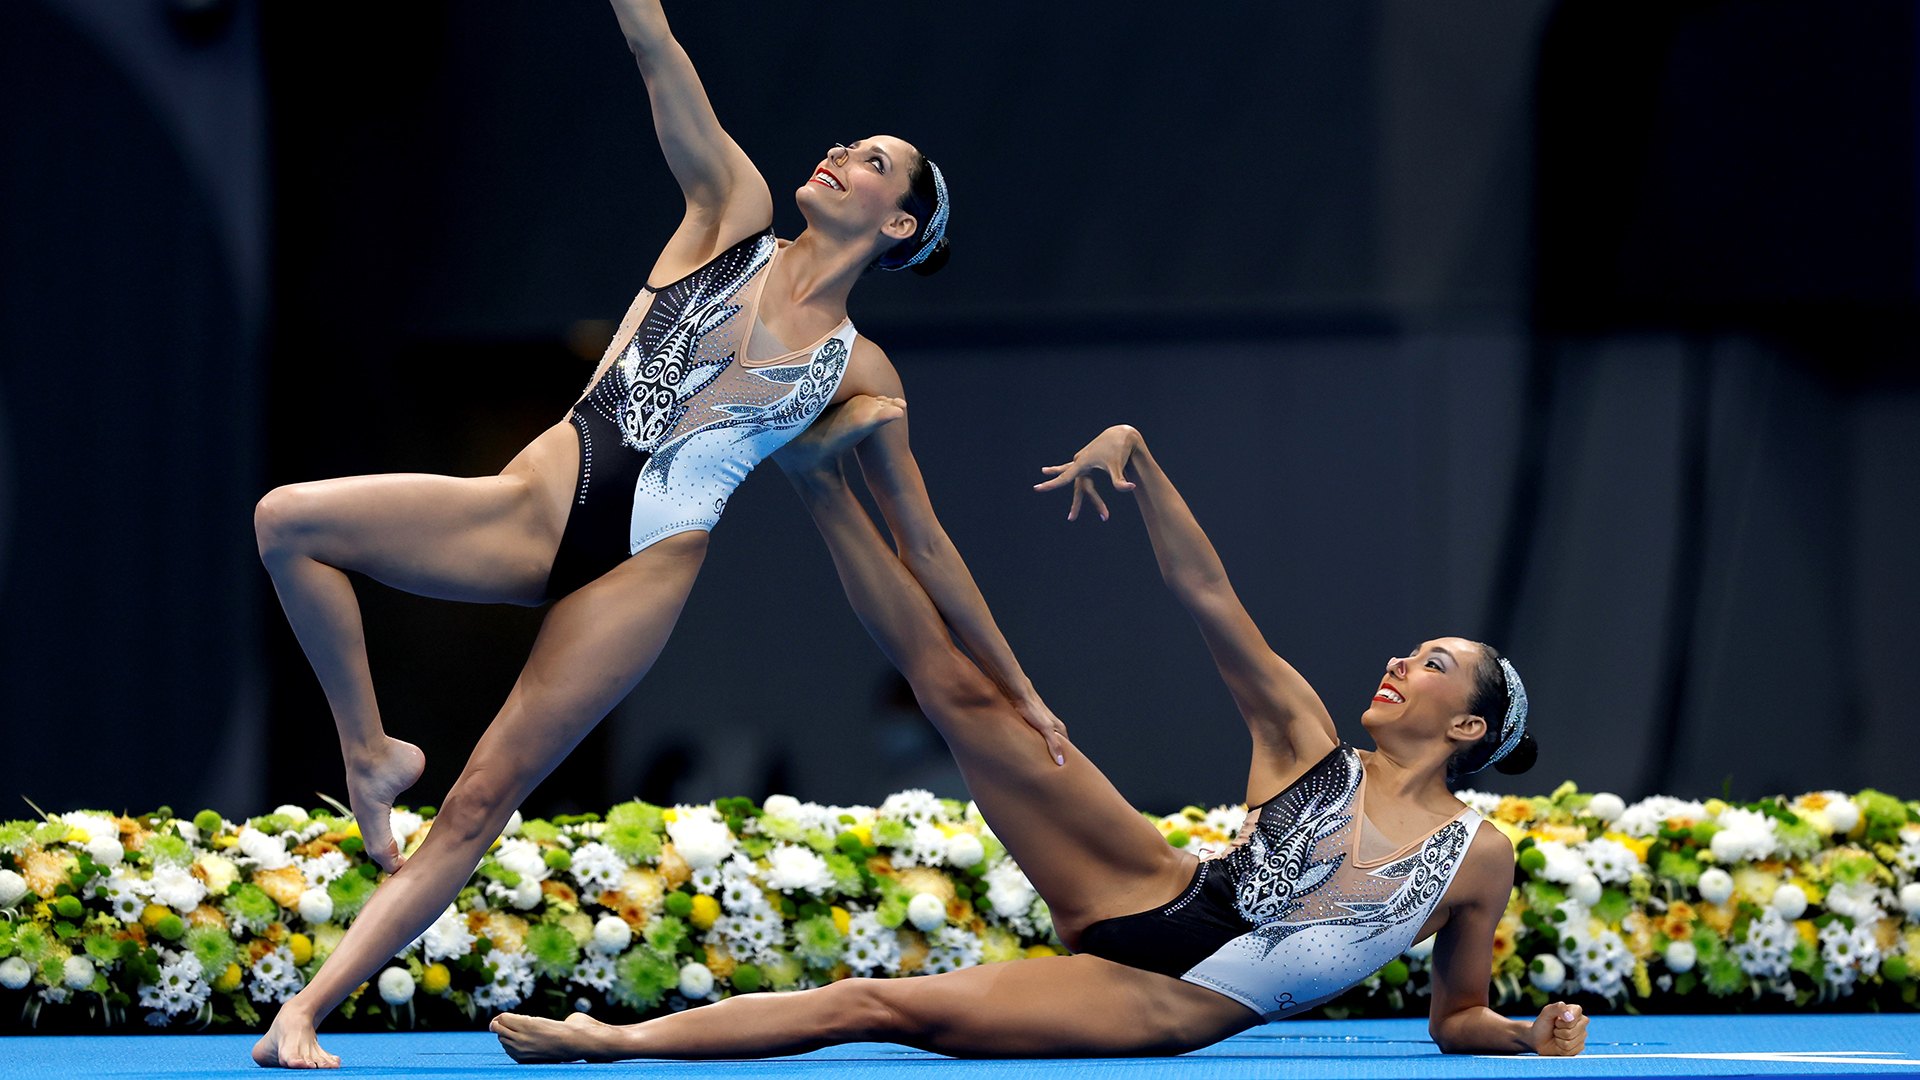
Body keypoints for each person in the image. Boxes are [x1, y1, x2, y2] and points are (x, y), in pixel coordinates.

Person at [247, 0, 1066, 1065]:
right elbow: (653, 45)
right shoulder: (732, 210)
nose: (837, 154)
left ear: (899, 223)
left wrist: (1021, 687)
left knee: (485, 798)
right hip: (535, 503)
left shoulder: (860, 374)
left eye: (869, 160)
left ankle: (300, 1014)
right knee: (288, 523)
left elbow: (929, 549)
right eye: (845, 144)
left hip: (643, 571)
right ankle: (370, 751)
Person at [488, 400, 1591, 1063]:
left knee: (876, 1005)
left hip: (1164, 1001)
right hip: (1150, 887)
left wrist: (1521, 1037)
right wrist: (1142, 458)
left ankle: (612, 1046)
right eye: (1411, 652)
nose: (1401, 662)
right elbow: (1208, 593)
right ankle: (817, 472)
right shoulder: (1307, 736)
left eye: (1433, 666)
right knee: (968, 692)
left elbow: (1458, 1018)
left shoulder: (1476, 858)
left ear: (1471, 725)